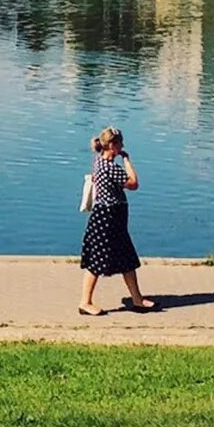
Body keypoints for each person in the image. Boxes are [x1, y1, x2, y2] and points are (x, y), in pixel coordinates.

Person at [77, 128, 153, 315]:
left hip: (113, 220)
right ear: (112, 145)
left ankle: (137, 299)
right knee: (97, 261)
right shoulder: (110, 168)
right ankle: (85, 302)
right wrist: (127, 160)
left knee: (127, 259)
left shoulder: (98, 162)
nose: (122, 146)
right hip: (107, 220)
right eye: (120, 143)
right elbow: (133, 184)